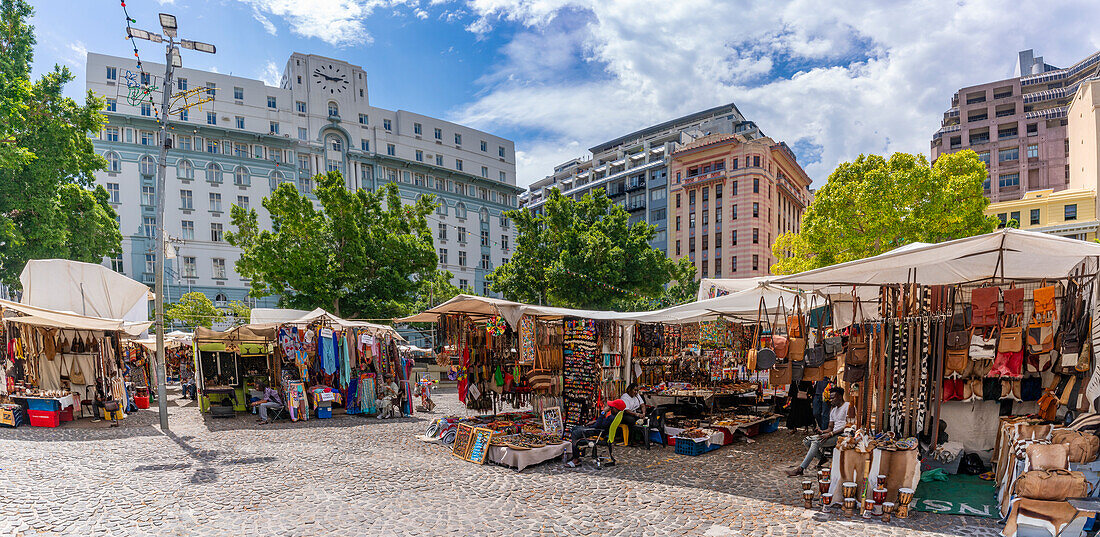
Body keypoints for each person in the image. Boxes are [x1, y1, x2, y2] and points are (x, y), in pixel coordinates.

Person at [786, 387, 854, 476]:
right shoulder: (833, 410)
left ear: (840, 397)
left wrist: (830, 434)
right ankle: (822, 458)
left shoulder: (848, 406)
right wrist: (822, 431)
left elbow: (848, 425)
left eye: (833, 398)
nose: (831, 400)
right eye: (830, 398)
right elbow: (830, 427)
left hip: (843, 435)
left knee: (815, 442)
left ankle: (801, 468)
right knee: (806, 440)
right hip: (833, 434)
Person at [566, 399, 626, 468]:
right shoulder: (615, 416)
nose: (610, 408)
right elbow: (601, 423)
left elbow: (598, 425)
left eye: (612, 407)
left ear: (616, 409)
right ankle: (575, 454)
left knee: (575, 433)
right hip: (597, 430)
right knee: (575, 428)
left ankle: (576, 459)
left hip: (596, 431)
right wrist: (595, 421)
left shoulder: (611, 418)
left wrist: (603, 412)